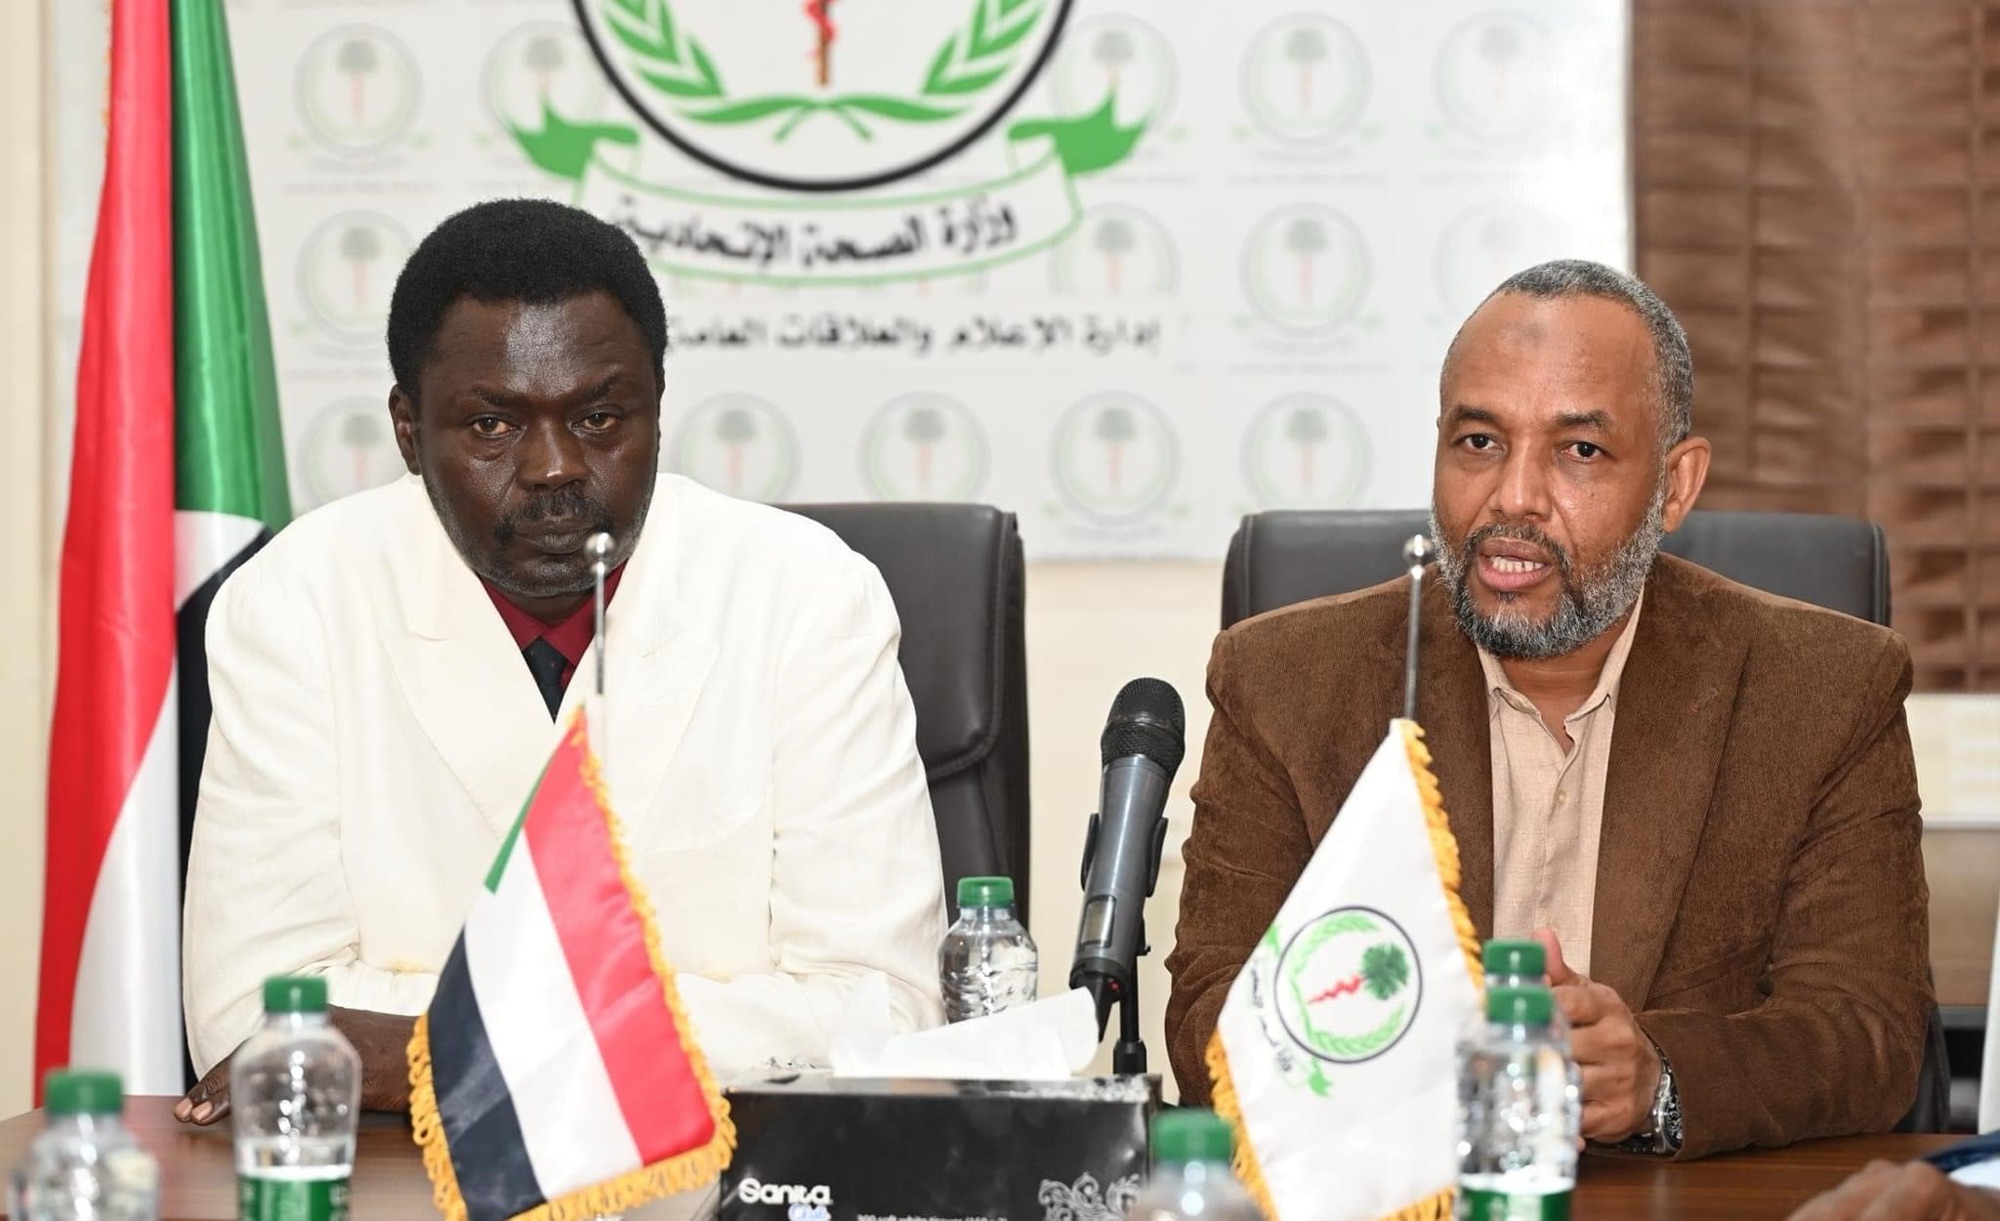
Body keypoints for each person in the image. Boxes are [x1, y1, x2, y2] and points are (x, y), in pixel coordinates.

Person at [176, 198, 947, 1124]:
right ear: (409, 431)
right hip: (402, 1179)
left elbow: (882, 1015)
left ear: (659, 406)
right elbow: (255, 1022)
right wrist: (668, 1018)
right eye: (492, 426)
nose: (553, 468)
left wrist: (433, 1051)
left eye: (599, 416)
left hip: (723, 1175)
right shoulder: (297, 602)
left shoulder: (808, 595)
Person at [1165, 259, 1933, 1159]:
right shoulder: (1286, 681)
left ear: (1675, 486)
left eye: (1580, 451)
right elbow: (1210, 1016)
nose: (1514, 497)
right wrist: (1408, 1051)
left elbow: (1868, 1031)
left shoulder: (1823, 689)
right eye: (1479, 441)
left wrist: (1658, 1078)